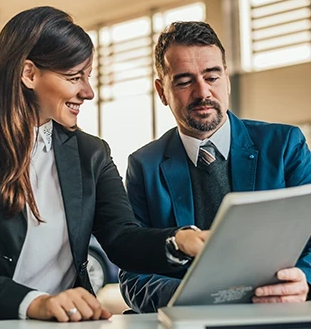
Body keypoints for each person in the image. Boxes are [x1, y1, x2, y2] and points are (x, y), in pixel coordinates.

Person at [0, 7, 203, 322]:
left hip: (70, 324)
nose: (87, 92)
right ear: (29, 73)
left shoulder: (92, 153)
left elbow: (121, 238)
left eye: (87, 76)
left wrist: (177, 240)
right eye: (74, 77)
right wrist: (36, 303)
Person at [119, 21, 311, 313]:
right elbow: (133, 275)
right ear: (161, 91)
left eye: (212, 77)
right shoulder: (144, 166)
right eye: (184, 81)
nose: (202, 92)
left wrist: (304, 278)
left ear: (227, 80)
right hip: (190, 321)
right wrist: (194, 297)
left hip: (274, 314)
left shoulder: (284, 145)